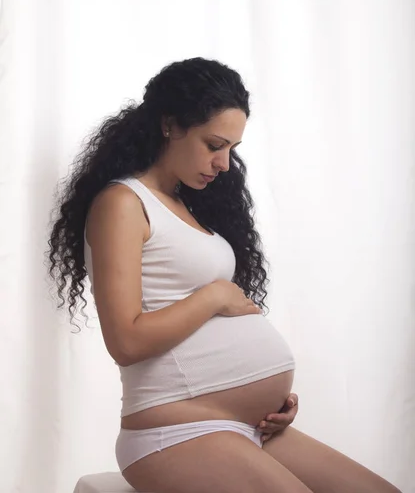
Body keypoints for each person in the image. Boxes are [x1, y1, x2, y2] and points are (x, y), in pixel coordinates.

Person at [47, 58, 401, 493]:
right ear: (169, 125)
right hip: (175, 433)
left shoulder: (188, 204)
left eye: (232, 148)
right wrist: (215, 296)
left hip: (249, 425)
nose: (224, 163)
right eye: (214, 144)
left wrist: (267, 397)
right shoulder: (123, 203)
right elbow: (126, 341)